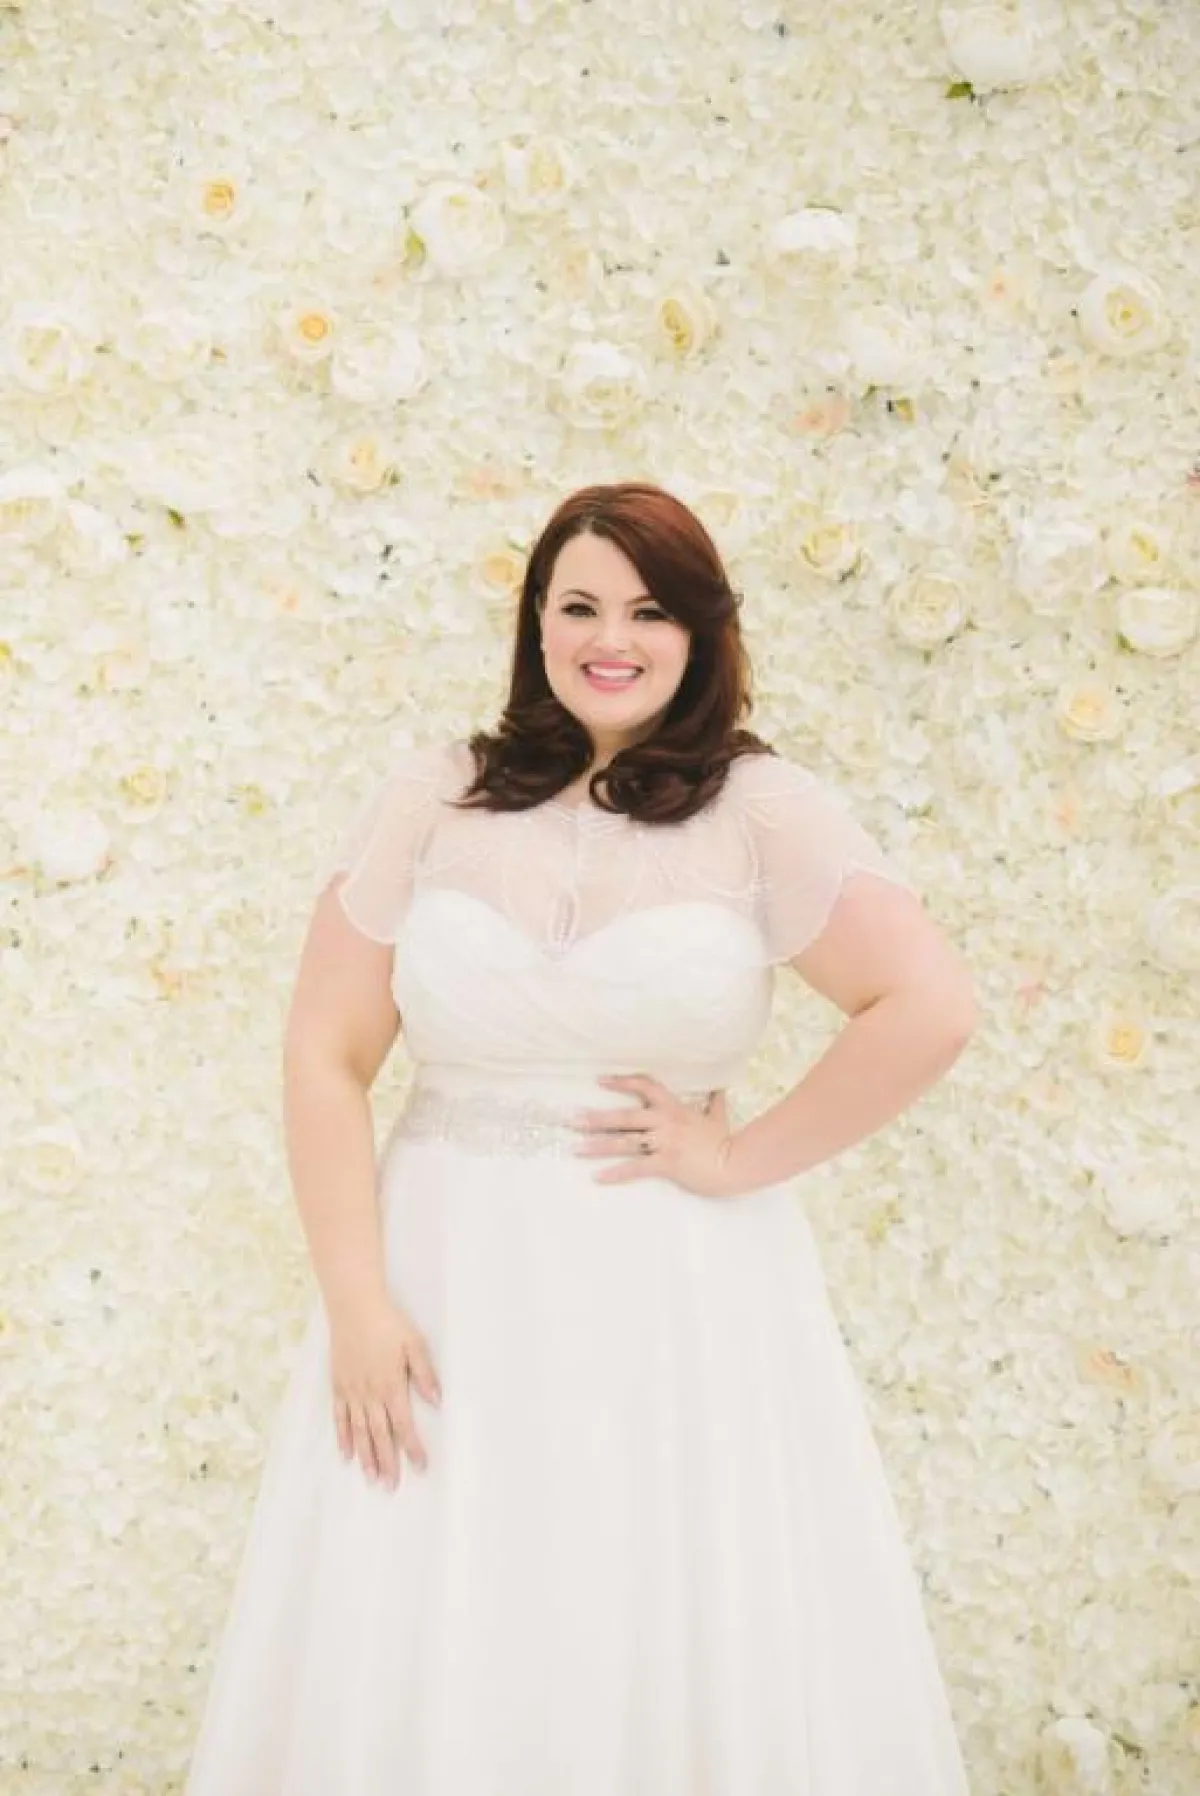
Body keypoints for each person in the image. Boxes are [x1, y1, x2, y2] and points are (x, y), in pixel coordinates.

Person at [184, 480, 978, 1793]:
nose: (612, 638)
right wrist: (357, 1302)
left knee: (655, 1595)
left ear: (702, 633)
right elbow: (326, 1054)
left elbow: (930, 1008)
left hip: (676, 1292)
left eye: (651, 611)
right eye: (581, 606)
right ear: (536, 623)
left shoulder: (761, 809)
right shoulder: (436, 796)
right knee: (434, 1598)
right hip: (446, 1278)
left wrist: (738, 1156)